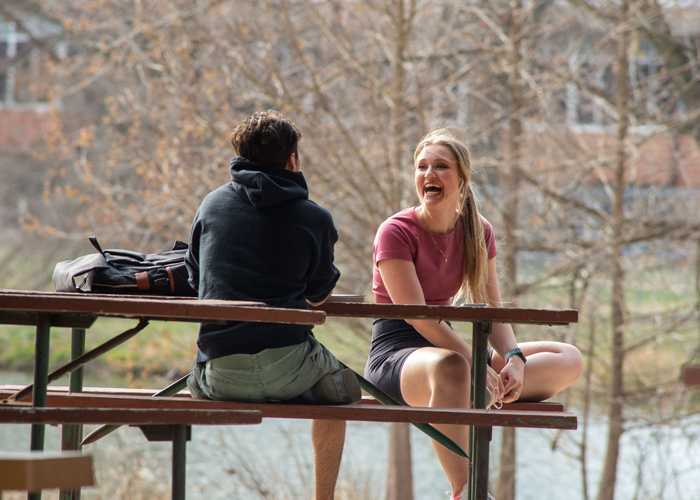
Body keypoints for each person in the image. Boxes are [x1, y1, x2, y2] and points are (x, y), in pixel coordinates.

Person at [364, 128, 584, 500]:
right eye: (422, 167)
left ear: (462, 178)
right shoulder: (396, 232)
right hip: (397, 358)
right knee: (453, 368)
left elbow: (492, 307)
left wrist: (513, 360)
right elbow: (419, 316)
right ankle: (465, 491)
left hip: (453, 354)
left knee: (569, 358)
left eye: (440, 166)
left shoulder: (478, 232)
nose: (428, 174)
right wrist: (475, 364)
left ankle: (491, 391)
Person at [185, 110, 361, 500]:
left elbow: (195, 281)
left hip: (222, 374)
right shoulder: (314, 218)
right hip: (291, 366)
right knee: (343, 391)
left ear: (239, 157)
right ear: (292, 161)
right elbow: (317, 298)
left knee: (193, 376)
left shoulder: (211, 206)